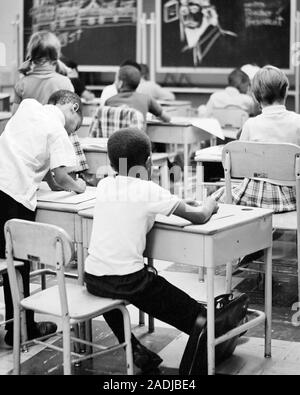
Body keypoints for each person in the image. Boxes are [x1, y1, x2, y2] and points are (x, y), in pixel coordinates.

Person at [84, 128, 220, 372]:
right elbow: (199, 217)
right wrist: (209, 204)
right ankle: (192, 369)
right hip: (128, 281)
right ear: (148, 161)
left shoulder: (104, 184)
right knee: (200, 317)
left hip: (93, 278)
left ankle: (134, 349)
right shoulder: (149, 191)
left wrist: (173, 203)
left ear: (111, 163)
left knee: (115, 285)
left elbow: (136, 202)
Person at [0, 90, 87, 346]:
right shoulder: (59, 130)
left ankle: (15, 324)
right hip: (13, 194)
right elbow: (61, 177)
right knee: (18, 263)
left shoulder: (27, 106)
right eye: (76, 126)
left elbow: (36, 157)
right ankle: (22, 328)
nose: (73, 132)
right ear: (72, 107)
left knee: (4, 261)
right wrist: (78, 187)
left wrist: (56, 180)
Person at [212, 65, 298, 213]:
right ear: (285, 92)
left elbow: (241, 164)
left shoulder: (251, 124)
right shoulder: (298, 121)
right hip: (292, 195)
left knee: (213, 198)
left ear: (256, 96)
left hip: (253, 195)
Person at [12, 30, 89, 176]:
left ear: (32, 55)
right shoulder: (64, 82)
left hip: (30, 150)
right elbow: (72, 119)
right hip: (58, 152)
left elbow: (15, 118)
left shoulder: (21, 84)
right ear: (56, 56)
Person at [105, 65, 171, 127]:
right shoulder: (146, 99)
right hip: (138, 138)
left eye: (116, 80)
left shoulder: (109, 102)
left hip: (115, 138)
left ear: (120, 83)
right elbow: (167, 118)